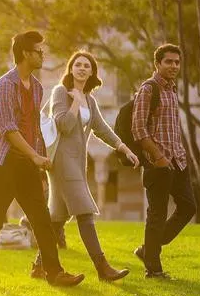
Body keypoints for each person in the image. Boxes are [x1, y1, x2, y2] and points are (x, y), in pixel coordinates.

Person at [0, 30, 85, 287]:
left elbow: (35, 127)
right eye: (38, 51)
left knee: (41, 218)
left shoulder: (36, 87)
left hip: (28, 162)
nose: (41, 55)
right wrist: (34, 156)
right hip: (3, 162)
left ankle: (54, 273)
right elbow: (8, 129)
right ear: (25, 54)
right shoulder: (3, 86)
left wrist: (41, 158)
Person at [31, 51, 139, 282]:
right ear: (71, 69)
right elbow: (64, 125)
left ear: (91, 72)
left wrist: (124, 148)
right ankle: (102, 268)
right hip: (61, 160)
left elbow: (101, 128)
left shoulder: (89, 99)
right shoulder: (61, 92)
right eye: (77, 64)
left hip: (77, 162)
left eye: (86, 66)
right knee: (84, 212)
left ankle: (39, 265)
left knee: (58, 217)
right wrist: (75, 103)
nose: (81, 68)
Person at [132, 44, 196, 279]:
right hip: (157, 163)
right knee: (157, 214)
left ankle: (149, 249)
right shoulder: (149, 89)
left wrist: (177, 155)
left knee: (189, 207)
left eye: (177, 62)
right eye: (168, 62)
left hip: (177, 160)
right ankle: (153, 268)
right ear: (157, 64)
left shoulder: (172, 89)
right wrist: (158, 157)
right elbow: (138, 129)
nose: (174, 66)